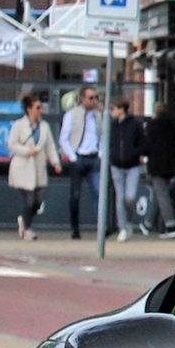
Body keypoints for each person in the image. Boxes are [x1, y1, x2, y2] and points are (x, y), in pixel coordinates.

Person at [6, 91, 60, 241]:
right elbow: (11, 144)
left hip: (39, 168)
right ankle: (28, 229)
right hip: (22, 168)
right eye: (37, 107)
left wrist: (55, 162)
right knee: (29, 200)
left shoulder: (44, 126)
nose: (40, 110)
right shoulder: (19, 125)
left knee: (38, 201)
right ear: (29, 109)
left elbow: (50, 146)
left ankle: (24, 220)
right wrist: (27, 151)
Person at [59, 86, 104, 239]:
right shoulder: (71, 115)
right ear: (82, 99)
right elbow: (64, 138)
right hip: (79, 157)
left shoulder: (99, 115)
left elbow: (103, 135)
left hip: (94, 157)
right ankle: (75, 228)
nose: (94, 101)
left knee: (98, 192)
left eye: (96, 97)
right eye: (91, 98)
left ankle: (101, 227)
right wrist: (72, 156)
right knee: (75, 195)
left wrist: (101, 153)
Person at [107, 96, 147, 242]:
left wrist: (135, 153)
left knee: (130, 197)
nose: (111, 112)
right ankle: (122, 227)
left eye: (113, 109)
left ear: (121, 109)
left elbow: (143, 143)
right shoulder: (111, 125)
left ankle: (128, 221)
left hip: (132, 165)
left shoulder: (135, 124)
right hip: (116, 164)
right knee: (120, 197)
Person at [143, 108, 175, 238]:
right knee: (158, 192)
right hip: (170, 166)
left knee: (161, 194)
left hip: (157, 165)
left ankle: (170, 225)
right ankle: (147, 223)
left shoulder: (152, 127)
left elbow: (147, 145)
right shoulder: (172, 127)